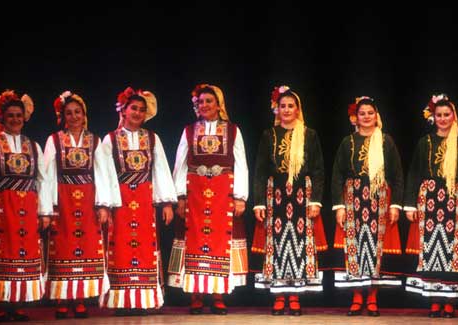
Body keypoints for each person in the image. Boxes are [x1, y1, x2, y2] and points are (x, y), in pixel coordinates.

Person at [167, 84, 249, 315]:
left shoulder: (232, 130)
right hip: (196, 193)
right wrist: (180, 197)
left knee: (220, 241)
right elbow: (180, 164)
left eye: (209, 101)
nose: (204, 105)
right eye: (201, 102)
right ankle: (196, 294)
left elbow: (241, 164)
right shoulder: (189, 131)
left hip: (224, 192)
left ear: (219, 104)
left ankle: (218, 294)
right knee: (194, 238)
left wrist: (240, 197)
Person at [100, 87, 177, 316]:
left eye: (142, 110)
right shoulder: (110, 139)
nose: (137, 113)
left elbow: (161, 170)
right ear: (123, 110)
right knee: (120, 247)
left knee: (145, 247)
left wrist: (166, 203)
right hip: (120, 200)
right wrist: (106, 204)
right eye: (133, 108)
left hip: (144, 199)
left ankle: (144, 299)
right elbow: (104, 173)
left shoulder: (152, 138)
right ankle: (120, 299)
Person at [252, 85, 327, 316]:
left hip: (301, 196)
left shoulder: (309, 134)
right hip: (275, 196)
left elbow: (317, 169)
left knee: (298, 245)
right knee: (276, 245)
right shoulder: (269, 135)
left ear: (298, 109)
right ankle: (278, 294)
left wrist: (315, 200)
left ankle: (294, 296)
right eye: (282, 106)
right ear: (277, 109)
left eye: (290, 106)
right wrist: (259, 202)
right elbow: (261, 170)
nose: (286, 110)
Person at [403, 94, 458, 318]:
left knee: (450, 249)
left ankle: (449, 301)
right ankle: (434, 300)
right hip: (428, 201)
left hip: (453, 200)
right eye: (439, 115)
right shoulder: (424, 142)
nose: (443, 119)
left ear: (453, 116)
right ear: (433, 117)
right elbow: (414, 174)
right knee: (430, 248)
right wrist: (409, 205)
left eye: (447, 114)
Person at [43, 91, 115, 318]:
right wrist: (49, 205)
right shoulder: (54, 140)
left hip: (87, 200)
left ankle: (82, 298)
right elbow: (47, 175)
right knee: (63, 247)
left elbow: (103, 173)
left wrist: (103, 204)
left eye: (78, 112)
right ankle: (62, 299)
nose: (74, 117)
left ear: (84, 115)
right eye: (69, 113)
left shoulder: (95, 140)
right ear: (63, 116)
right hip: (63, 200)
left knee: (85, 247)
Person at [0, 90, 52, 322]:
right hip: (2, 205)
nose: (14, 120)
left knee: (25, 253)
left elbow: (42, 179)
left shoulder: (32, 146)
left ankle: (18, 302)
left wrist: (44, 212)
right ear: (2, 118)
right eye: (10, 115)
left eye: (18, 116)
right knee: (2, 253)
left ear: (24, 118)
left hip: (28, 206)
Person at [331, 96, 403, 317]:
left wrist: (396, 205)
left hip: (379, 198)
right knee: (354, 246)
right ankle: (356, 296)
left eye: (370, 113)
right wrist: (339, 206)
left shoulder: (386, 141)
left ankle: (372, 297)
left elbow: (397, 175)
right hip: (353, 198)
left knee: (375, 248)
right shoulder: (348, 142)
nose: (366, 117)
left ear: (376, 115)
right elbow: (337, 175)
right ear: (356, 117)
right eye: (362, 113)